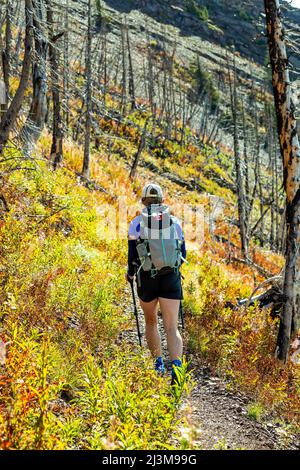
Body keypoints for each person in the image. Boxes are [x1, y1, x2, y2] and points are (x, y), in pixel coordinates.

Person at [126, 183, 186, 384]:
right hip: (170, 277)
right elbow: (182, 254)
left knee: (151, 322)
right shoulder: (174, 222)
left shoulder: (136, 223)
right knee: (172, 326)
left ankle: (158, 365)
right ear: (162, 200)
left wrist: (130, 275)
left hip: (147, 279)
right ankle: (177, 370)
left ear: (143, 201)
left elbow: (132, 257)